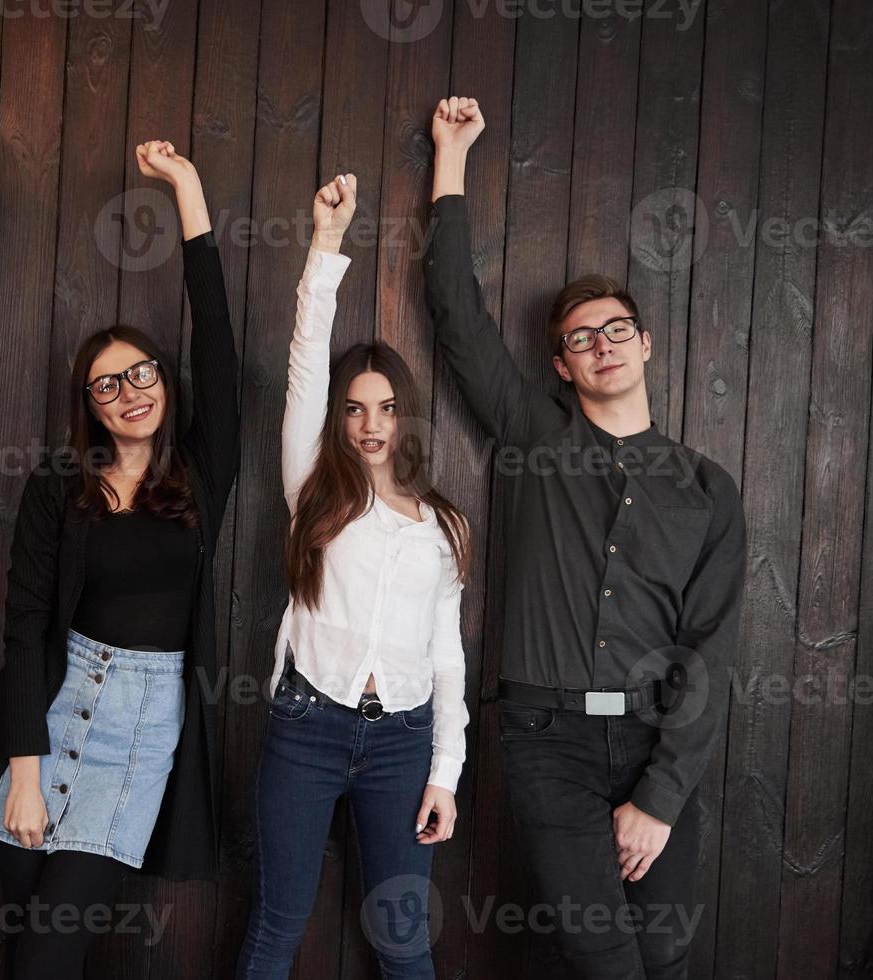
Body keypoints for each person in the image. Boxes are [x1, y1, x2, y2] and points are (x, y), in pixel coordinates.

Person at [426, 96, 747, 979]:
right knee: (606, 959)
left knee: (665, 953)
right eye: (580, 339)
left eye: (616, 331)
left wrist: (663, 794)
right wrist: (451, 155)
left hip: (657, 740)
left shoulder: (709, 489)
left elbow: (709, 651)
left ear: (645, 345)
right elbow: (456, 313)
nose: (601, 346)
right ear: (561, 365)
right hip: (546, 738)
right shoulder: (534, 433)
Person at [0, 139, 239, 979]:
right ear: (90, 407)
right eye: (107, 384)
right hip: (47, 713)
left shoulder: (201, 474)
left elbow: (217, 340)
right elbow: (24, 629)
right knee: (23, 954)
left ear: (163, 381)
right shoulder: (58, 488)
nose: (131, 390)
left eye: (141, 372)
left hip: (142, 730)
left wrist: (186, 189)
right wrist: (24, 774)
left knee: (46, 957)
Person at [235, 174, 473, 980]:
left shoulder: (443, 527)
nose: (370, 425)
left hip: (403, 742)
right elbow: (305, 357)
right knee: (278, 925)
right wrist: (326, 243)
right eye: (353, 408)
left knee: (404, 940)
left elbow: (448, 661)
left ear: (404, 415)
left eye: (384, 407)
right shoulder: (313, 489)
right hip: (309, 727)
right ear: (338, 417)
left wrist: (446, 772)